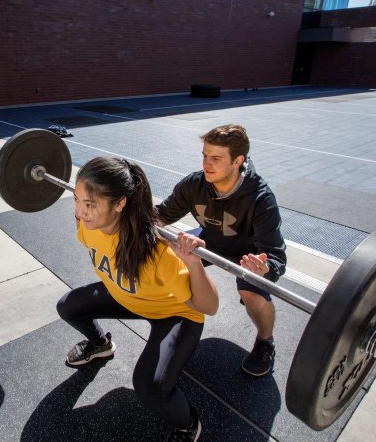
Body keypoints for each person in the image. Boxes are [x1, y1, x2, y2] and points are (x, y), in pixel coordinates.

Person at [57, 156, 219, 441]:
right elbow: (86, 226)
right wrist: (85, 207)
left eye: (90, 204)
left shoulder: (157, 251)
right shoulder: (89, 226)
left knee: (150, 387)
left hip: (174, 313)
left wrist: (193, 264)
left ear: (120, 203)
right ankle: (101, 345)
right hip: (126, 295)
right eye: (77, 201)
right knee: (68, 306)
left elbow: (209, 306)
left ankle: (188, 425)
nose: (81, 212)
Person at [155, 124, 286, 377]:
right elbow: (161, 215)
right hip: (209, 241)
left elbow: (276, 256)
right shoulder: (195, 184)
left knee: (254, 296)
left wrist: (265, 268)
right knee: (162, 259)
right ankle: (173, 320)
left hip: (248, 255)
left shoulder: (261, 198)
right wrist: (128, 216)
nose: (207, 164)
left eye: (215, 158)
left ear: (238, 160)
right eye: (205, 156)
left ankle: (265, 342)